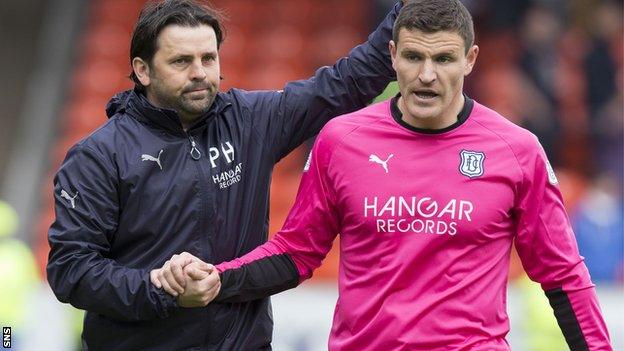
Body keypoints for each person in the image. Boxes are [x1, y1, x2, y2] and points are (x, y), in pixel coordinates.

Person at [155, 1, 613, 350]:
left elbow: (562, 275)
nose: (427, 75)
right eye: (413, 56)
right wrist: (220, 277)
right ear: (392, 55)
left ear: (470, 59)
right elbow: (296, 252)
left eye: (445, 60)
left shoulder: (517, 150)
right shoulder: (341, 140)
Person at [46, 0, 408, 349]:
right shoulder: (97, 156)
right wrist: (160, 289)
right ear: (143, 70)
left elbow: (344, 84)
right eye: (181, 61)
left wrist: (406, 10)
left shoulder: (250, 121)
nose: (200, 72)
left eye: (208, 58)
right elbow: (71, 270)